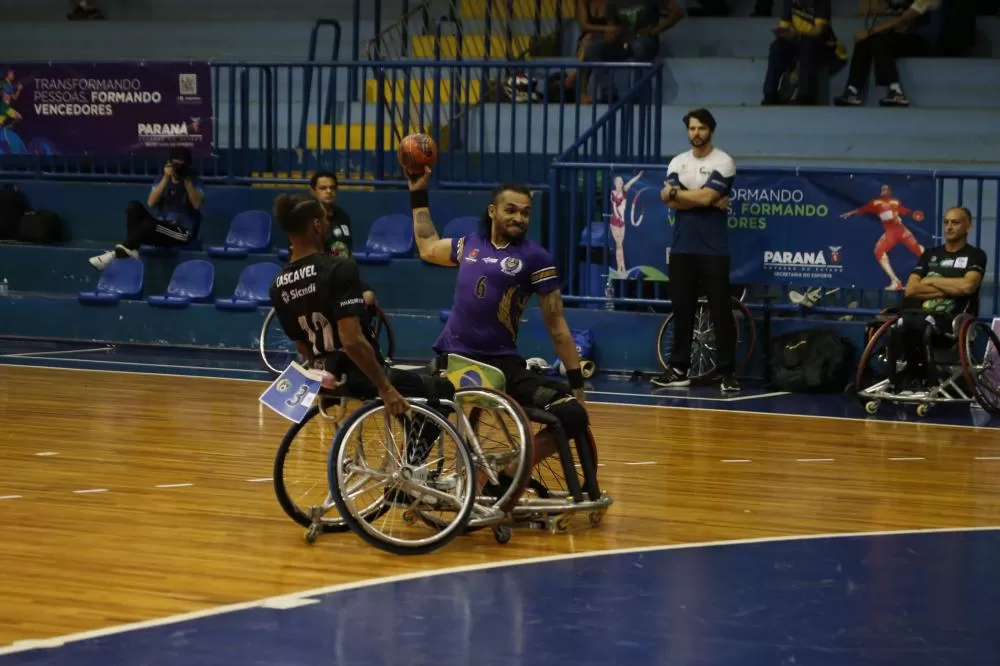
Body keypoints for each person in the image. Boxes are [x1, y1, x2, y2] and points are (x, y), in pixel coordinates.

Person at [408, 167, 590, 470]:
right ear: (492, 211)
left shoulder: (537, 259)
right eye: (511, 210)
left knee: (573, 415)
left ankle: (511, 472)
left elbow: (557, 327)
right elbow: (428, 247)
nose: (519, 218)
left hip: (502, 367)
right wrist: (417, 193)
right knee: (431, 403)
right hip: (455, 360)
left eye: (525, 212)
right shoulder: (469, 245)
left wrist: (578, 386)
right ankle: (406, 475)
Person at [268, 193, 457, 477]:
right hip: (360, 374)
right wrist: (384, 387)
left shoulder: (278, 285)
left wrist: (322, 375)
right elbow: (352, 340)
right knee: (443, 390)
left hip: (328, 379)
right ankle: (410, 474)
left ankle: (411, 461)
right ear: (318, 225)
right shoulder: (338, 268)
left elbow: (302, 345)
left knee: (414, 393)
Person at [652, 108, 739, 392]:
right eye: (691, 128)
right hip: (682, 249)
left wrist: (685, 195)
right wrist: (700, 199)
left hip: (714, 250)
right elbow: (672, 201)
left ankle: (726, 372)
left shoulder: (723, 161)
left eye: (701, 128)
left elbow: (705, 195)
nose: (695, 133)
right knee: (683, 309)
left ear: (710, 130)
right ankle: (679, 370)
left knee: (720, 311)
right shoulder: (678, 162)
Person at [888, 206, 986, 392]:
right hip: (918, 315)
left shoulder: (976, 255)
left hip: (950, 322)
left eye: (955, 222)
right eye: (946, 222)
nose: (949, 227)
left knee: (919, 324)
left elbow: (967, 287)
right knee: (900, 324)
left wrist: (932, 279)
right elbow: (911, 289)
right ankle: (903, 378)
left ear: (968, 227)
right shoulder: (929, 255)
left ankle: (923, 378)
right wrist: (950, 289)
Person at [88, 147, 204, 271]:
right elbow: (150, 203)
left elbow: (197, 205)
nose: (179, 169)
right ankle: (132, 249)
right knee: (134, 207)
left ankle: (115, 254)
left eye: (182, 165)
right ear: (169, 163)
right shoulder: (161, 180)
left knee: (148, 225)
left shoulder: (195, 181)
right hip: (161, 226)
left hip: (183, 232)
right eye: (176, 165)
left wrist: (187, 181)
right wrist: (165, 178)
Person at [833, 0, 943, 107]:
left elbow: (906, 18)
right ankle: (852, 90)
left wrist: (871, 31)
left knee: (879, 39)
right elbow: (876, 9)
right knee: (865, 41)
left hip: (928, 42)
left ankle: (896, 91)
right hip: (911, 37)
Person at [306, 171, 375, 306]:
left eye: (332, 188)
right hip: (318, 279)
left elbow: (347, 250)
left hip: (344, 276)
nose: (329, 191)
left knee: (368, 296)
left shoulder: (343, 216)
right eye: (323, 188)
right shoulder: (308, 220)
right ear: (313, 191)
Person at [840, 183, 925, 290]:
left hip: (902, 231)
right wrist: (850, 213)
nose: (883, 190)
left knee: (919, 250)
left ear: (890, 191)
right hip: (890, 233)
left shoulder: (895, 202)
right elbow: (862, 209)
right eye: (882, 189)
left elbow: (904, 211)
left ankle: (932, 273)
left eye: (886, 189)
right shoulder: (875, 203)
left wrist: (913, 214)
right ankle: (895, 281)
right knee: (878, 251)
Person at [761, 0, 832, 105]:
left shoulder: (821, 2)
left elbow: (818, 31)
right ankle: (770, 94)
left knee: (808, 46)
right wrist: (784, 34)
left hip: (818, 42)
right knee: (776, 47)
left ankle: (805, 95)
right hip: (795, 40)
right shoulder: (789, 2)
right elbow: (785, 27)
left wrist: (799, 34)